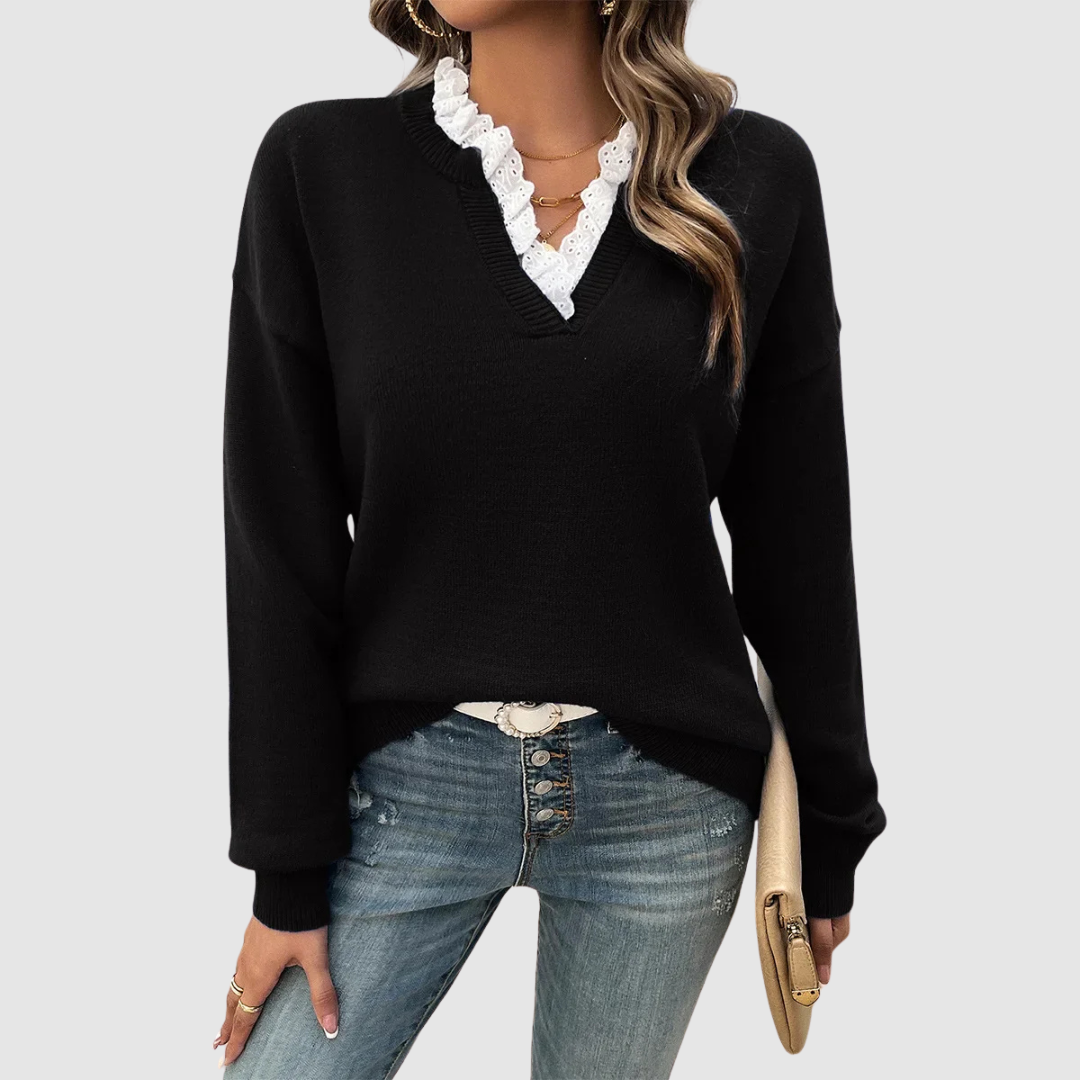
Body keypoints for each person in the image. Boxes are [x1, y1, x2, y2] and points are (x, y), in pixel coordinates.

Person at [214, 1, 887, 1076]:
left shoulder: (754, 177)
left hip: (669, 805)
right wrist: (286, 869)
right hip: (404, 787)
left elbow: (798, 532)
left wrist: (835, 830)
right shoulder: (322, 166)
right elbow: (278, 542)